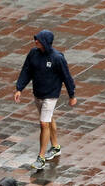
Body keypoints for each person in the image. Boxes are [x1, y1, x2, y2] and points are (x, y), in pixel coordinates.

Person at [13, 30, 77, 171]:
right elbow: (26, 71)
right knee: (48, 119)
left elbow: (67, 77)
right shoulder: (33, 54)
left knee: (43, 124)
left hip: (51, 96)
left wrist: (72, 95)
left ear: (46, 43)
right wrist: (19, 88)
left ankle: (41, 157)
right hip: (38, 94)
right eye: (36, 39)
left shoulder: (57, 58)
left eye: (39, 40)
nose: (36, 41)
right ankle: (55, 147)